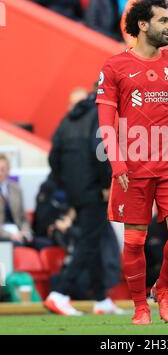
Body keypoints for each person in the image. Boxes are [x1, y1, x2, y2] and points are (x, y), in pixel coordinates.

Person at [97, 0, 168, 325]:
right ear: (142, 25)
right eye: (163, 20)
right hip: (133, 166)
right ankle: (139, 307)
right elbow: (106, 122)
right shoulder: (115, 67)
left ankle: (162, 289)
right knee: (134, 240)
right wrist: (117, 164)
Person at [44, 91, 124, 316]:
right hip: (94, 191)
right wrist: (107, 184)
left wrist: (67, 185)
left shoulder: (65, 122)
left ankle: (101, 299)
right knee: (89, 241)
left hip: (75, 192)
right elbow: (100, 152)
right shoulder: (96, 116)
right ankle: (59, 293)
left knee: (94, 239)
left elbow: (53, 158)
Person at [0, 154, 33, 245]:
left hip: (17, 231)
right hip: (3, 234)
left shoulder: (16, 188)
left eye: (3, 169)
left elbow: (23, 217)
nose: (0, 173)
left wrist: (26, 232)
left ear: (8, 170)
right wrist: (9, 235)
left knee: (36, 243)